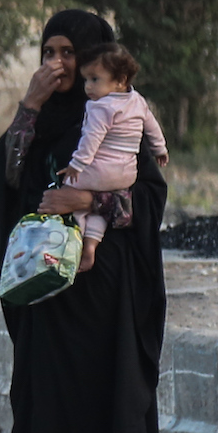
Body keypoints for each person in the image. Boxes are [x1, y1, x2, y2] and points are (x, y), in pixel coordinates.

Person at [0, 10, 166, 433]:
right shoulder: (49, 116)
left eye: (69, 53)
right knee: (66, 394)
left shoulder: (119, 112)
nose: (58, 63)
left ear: (96, 57)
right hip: (54, 280)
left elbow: (150, 196)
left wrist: (86, 200)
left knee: (108, 386)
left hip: (109, 284)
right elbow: (9, 174)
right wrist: (31, 105)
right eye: (49, 52)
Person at [58, 42, 167, 274]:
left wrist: (76, 165)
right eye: (85, 79)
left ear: (120, 80)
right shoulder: (137, 101)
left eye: (94, 79)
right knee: (100, 212)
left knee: (67, 194)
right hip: (125, 176)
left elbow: (91, 139)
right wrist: (160, 150)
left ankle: (73, 240)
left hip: (98, 171)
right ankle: (91, 246)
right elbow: (152, 128)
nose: (87, 87)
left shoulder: (100, 107)